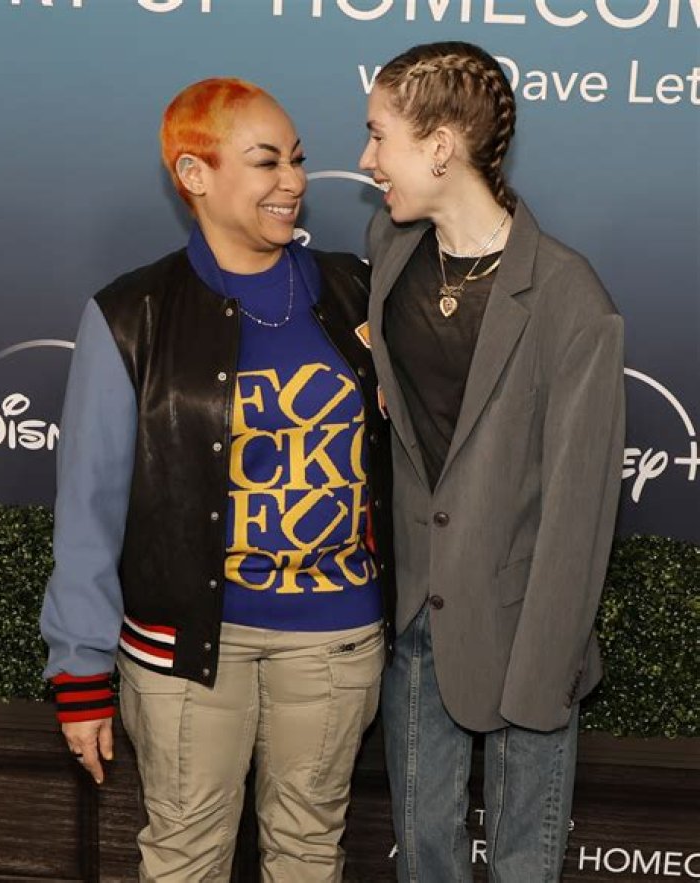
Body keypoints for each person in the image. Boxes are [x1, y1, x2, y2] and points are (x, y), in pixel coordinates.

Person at [40, 77, 394, 883]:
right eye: (267, 161)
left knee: (309, 853)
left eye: (297, 159)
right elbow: (89, 507)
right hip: (188, 649)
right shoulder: (131, 315)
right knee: (185, 858)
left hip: (335, 639)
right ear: (194, 174)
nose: (294, 180)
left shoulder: (360, 288)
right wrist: (81, 671)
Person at [359, 42, 625, 882]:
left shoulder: (569, 297)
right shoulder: (391, 247)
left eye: (379, 136)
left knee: (521, 868)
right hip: (415, 617)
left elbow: (580, 510)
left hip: (524, 628)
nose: (366, 161)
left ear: (440, 146)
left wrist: (546, 669)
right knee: (422, 861)